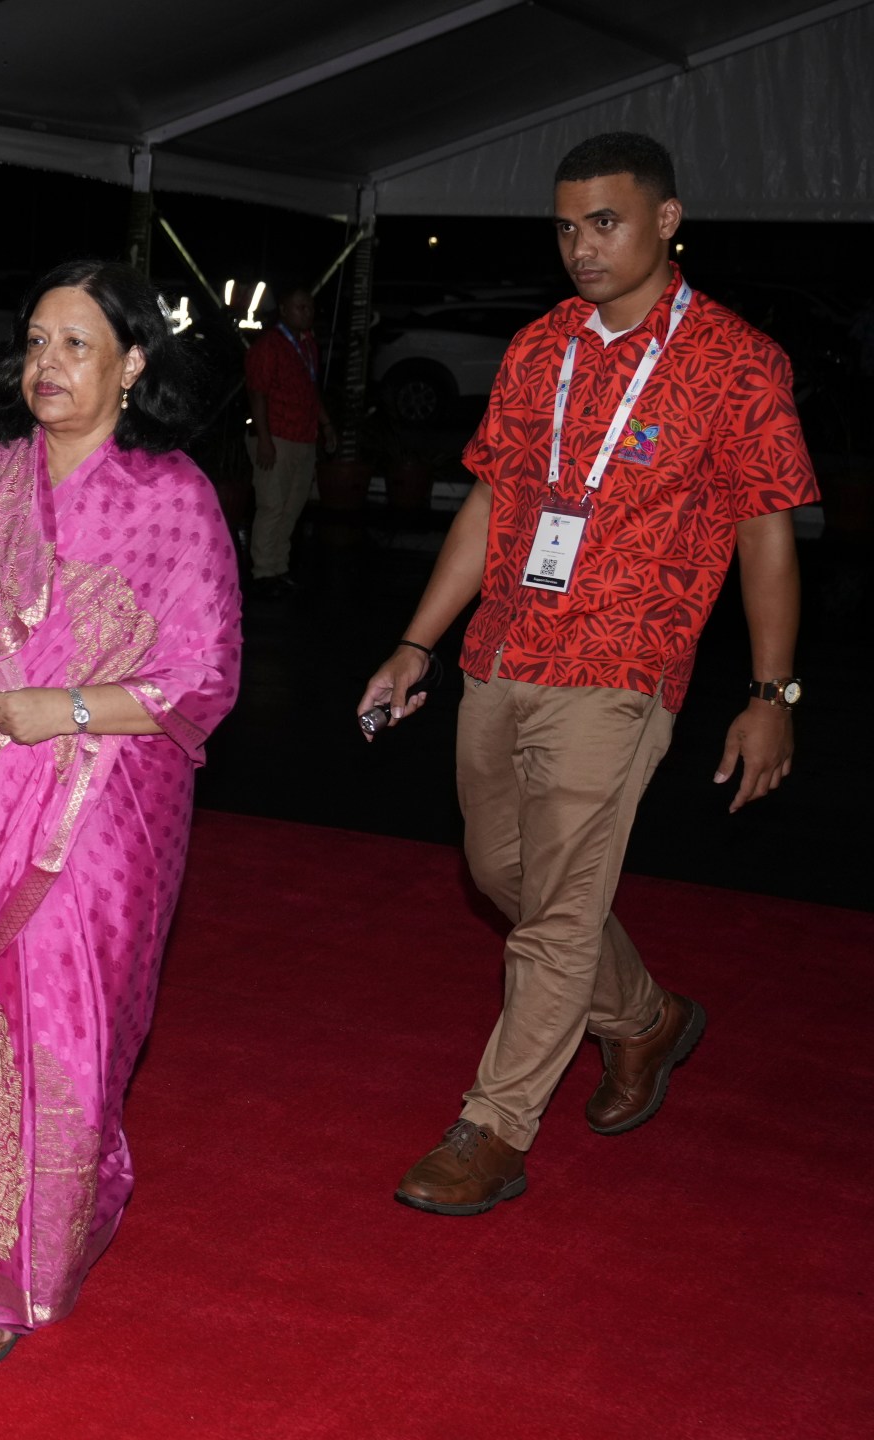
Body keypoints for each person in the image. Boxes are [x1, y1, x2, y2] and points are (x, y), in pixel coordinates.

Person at [358, 132, 814, 1216]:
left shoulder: (737, 361)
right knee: (501, 875)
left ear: (666, 220)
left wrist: (769, 696)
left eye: (604, 222)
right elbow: (489, 505)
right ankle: (646, 1019)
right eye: (565, 226)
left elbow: (766, 537)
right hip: (502, 652)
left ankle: (494, 1128)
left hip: (623, 665)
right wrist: (417, 640)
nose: (581, 247)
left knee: (557, 914)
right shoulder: (537, 350)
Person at [0, 259, 240, 1366]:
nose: (47, 365)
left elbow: (203, 677)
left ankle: (5, 1273)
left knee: (54, 1032)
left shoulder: (173, 500)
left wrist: (60, 707)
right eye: (34, 341)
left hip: (99, 820)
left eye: (75, 344)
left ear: (132, 366)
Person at [243, 283, 334, 597]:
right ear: (284, 310)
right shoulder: (270, 345)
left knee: (292, 507)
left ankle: (278, 568)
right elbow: (257, 394)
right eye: (300, 307)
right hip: (277, 436)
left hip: (303, 435)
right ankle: (262, 572)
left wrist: (326, 425)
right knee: (272, 505)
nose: (306, 313)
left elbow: (311, 389)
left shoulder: (308, 343)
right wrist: (265, 440)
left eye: (309, 307)